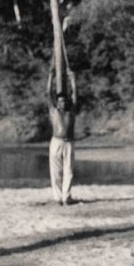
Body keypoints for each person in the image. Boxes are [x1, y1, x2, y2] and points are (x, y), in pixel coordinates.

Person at [47, 65, 77, 206]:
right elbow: (48, 93)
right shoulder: (54, 111)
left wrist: (72, 79)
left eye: (65, 101)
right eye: (60, 101)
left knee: (69, 170)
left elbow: (74, 94)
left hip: (69, 142)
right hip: (56, 142)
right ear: (57, 103)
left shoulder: (71, 111)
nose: (63, 103)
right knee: (56, 171)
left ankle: (67, 197)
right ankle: (58, 197)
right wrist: (51, 77)